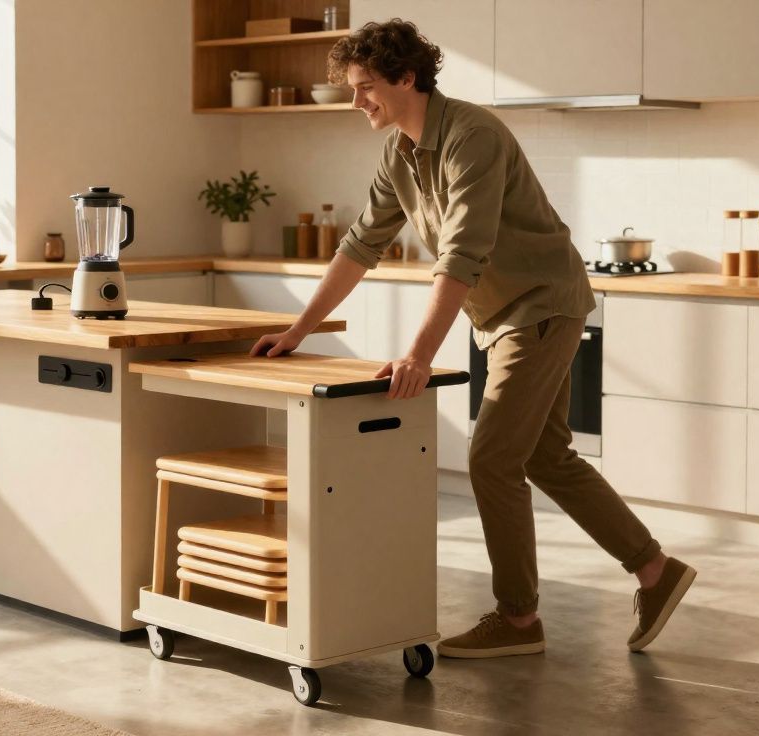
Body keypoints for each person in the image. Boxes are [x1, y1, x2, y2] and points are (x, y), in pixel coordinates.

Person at [249, 19, 696, 657]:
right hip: (505, 314)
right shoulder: (399, 154)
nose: (356, 103)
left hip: (538, 305)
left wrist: (418, 356)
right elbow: (359, 246)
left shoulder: (472, 135)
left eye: (366, 87)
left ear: (406, 77)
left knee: (490, 458)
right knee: (544, 456)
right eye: (352, 89)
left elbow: (463, 254)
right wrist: (297, 329)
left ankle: (519, 622)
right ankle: (656, 572)